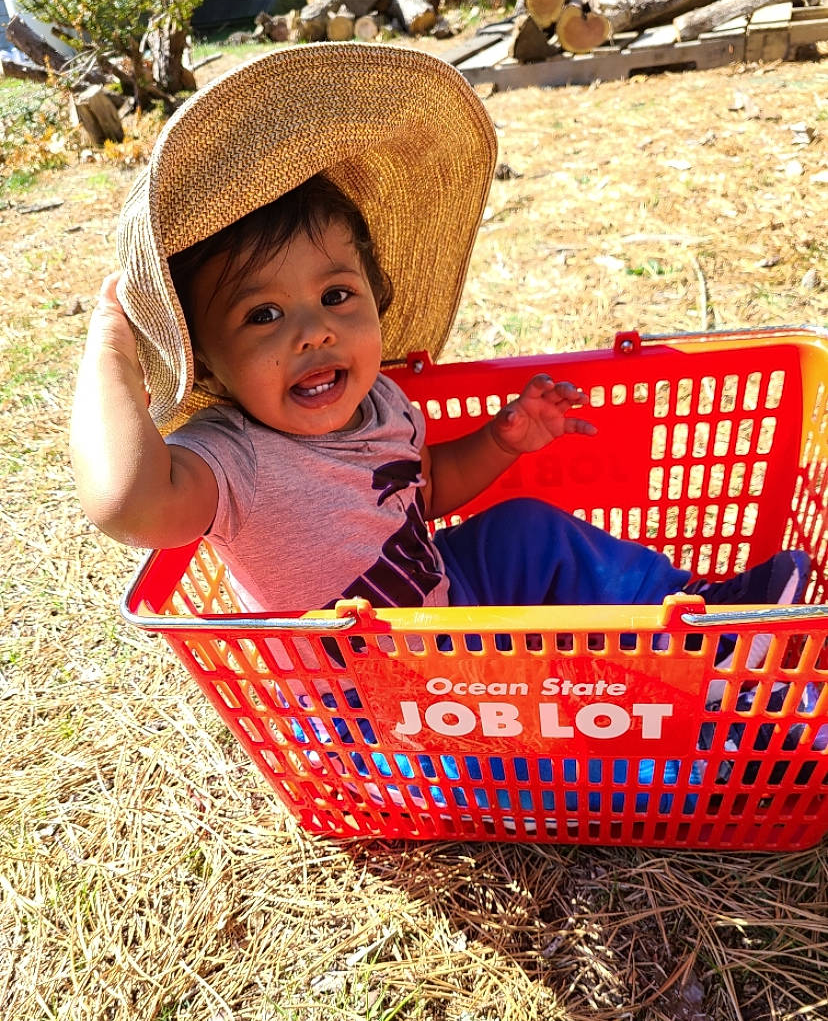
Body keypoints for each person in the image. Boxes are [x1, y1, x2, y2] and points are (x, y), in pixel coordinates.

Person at [70, 45, 810, 626]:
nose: (314, 331)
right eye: (262, 315)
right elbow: (126, 505)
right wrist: (111, 345)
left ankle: (710, 624)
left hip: (446, 599)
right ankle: (692, 714)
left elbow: (420, 492)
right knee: (553, 732)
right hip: (381, 699)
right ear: (212, 364)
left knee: (525, 530)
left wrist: (500, 442)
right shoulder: (230, 461)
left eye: (336, 295)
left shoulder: (383, 403)